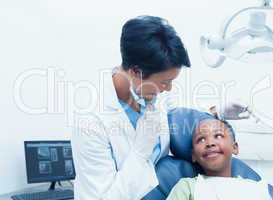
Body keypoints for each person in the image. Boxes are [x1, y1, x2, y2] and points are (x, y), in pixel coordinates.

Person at [71, 15, 250, 200]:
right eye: (165, 82)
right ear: (135, 72)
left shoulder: (152, 91)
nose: (169, 88)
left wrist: (217, 111)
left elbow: (176, 112)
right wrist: (140, 152)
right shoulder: (90, 122)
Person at [166, 114, 272, 200]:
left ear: (234, 147)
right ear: (193, 155)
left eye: (218, 136)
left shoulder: (256, 189)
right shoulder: (187, 187)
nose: (210, 143)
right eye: (201, 139)